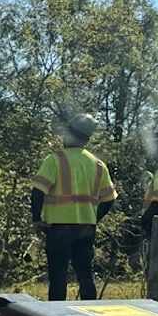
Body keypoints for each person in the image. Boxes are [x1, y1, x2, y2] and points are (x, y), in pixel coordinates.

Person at [30, 113, 117, 301]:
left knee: (58, 277)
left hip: (58, 227)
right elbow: (109, 199)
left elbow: (38, 191)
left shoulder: (55, 160)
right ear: (86, 138)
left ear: (69, 133)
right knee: (86, 274)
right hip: (86, 227)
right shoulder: (98, 164)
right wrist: (94, 218)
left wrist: (37, 219)